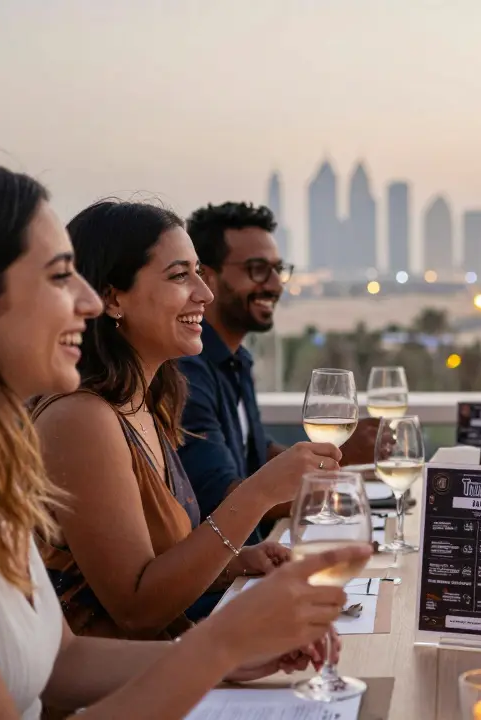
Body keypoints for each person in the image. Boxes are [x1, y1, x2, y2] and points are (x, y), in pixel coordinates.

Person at [0, 160, 370, 718]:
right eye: (57, 276)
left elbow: (57, 664)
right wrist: (220, 642)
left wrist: (228, 654)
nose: (91, 301)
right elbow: (135, 608)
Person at [32, 200, 342, 638]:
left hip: (167, 660)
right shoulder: (82, 419)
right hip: (115, 691)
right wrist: (258, 493)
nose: (205, 293)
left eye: (199, 271)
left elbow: (152, 564)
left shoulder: (145, 402)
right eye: (181, 276)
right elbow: (136, 608)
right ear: (113, 296)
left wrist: (233, 562)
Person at [178, 201, 379, 540]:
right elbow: (222, 502)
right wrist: (338, 464)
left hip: (259, 554)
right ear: (207, 276)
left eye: (277, 269)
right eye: (257, 269)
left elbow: (256, 451)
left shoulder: (236, 359)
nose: (274, 285)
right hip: (225, 579)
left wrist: (326, 458)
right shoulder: (187, 373)